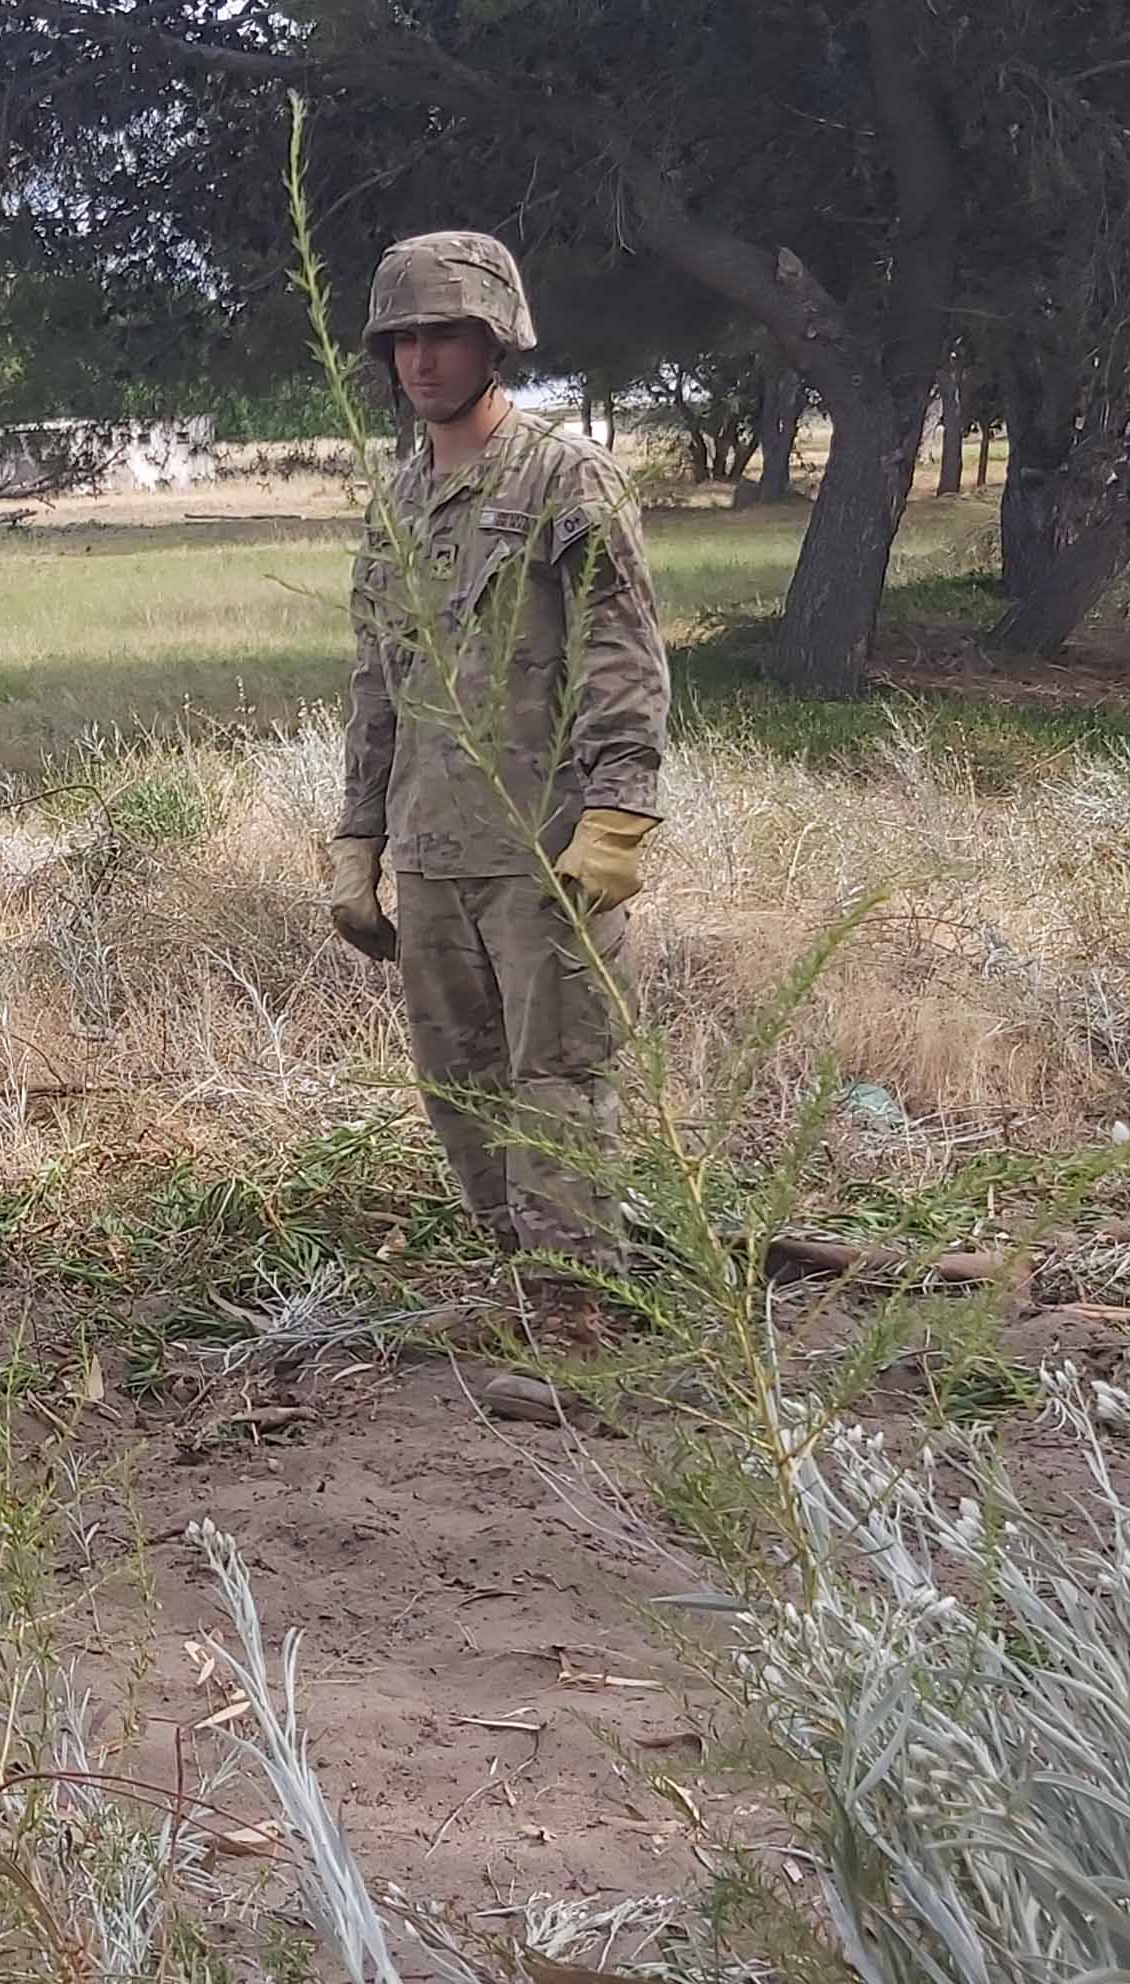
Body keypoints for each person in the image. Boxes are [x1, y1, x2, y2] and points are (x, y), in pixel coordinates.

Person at [325, 231, 671, 1324]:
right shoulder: (397, 502)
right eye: (404, 338)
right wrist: (357, 837)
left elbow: (621, 651)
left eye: (445, 335)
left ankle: (576, 1309)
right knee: (459, 1085)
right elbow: (375, 682)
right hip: (431, 849)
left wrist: (616, 817)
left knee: (557, 1079)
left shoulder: (565, 478)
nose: (420, 359)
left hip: (544, 847)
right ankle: (521, 1277)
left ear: (495, 342)